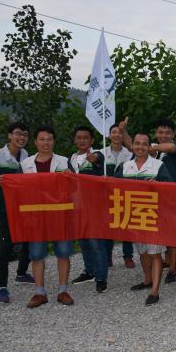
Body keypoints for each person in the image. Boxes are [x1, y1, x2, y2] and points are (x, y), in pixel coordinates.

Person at [114, 132, 174, 305]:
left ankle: (155, 291)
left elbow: (171, 188)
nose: (140, 147)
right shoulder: (125, 166)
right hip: (134, 215)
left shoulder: (158, 165)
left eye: (144, 144)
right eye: (137, 143)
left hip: (154, 215)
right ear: (132, 145)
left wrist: (158, 185)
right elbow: (113, 187)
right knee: (142, 251)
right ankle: (147, 280)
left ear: (149, 147)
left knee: (155, 253)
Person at [20, 126, 74, 308]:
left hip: (60, 214)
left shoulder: (64, 162)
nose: (46, 143)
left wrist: (71, 177)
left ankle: (63, 290)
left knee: (64, 251)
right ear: (35, 142)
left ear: (54, 141)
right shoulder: (25, 164)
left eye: (49, 139)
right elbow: (18, 189)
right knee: (36, 254)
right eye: (42, 139)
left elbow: (75, 187)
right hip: (36, 215)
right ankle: (39, 292)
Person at [0, 122, 33, 303]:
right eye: (18, 133)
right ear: (10, 135)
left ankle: (21, 274)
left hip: (23, 206)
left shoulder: (26, 156)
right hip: (5, 208)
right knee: (5, 245)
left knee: (28, 240)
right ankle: (2, 287)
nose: (21, 137)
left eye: (25, 134)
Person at [68, 126, 110, 294]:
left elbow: (98, 159)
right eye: (79, 137)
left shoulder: (97, 154)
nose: (82, 140)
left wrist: (95, 159)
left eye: (86, 137)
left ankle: (101, 278)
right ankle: (89, 271)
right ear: (74, 140)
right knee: (83, 241)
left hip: (94, 207)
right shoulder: (71, 158)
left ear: (92, 140)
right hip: (77, 205)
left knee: (95, 242)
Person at [101, 123, 135, 269]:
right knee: (108, 226)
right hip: (106, 195)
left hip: (125, 194)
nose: (117, 135)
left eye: (120, 132)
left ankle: (128, 256)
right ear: (109, 135)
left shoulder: (130, 154)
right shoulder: (101, 153)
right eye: (114, 132)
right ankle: (107, 257)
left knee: (126, 224)